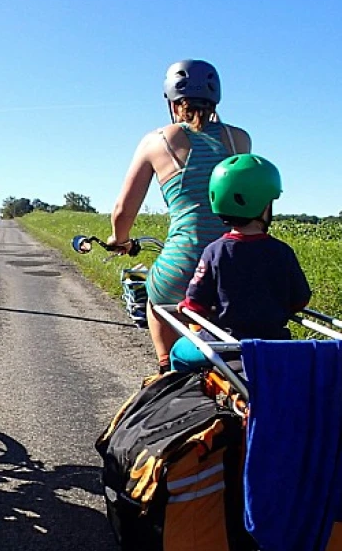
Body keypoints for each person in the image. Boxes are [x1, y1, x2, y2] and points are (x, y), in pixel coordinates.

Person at [108, 60, 252, 372]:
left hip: (182, 263)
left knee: (156, 298)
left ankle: (166, 372)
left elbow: (123, 211)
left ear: (172, 103)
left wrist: (118, 240)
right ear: (215, 101)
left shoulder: (156, 141)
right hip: (235, 263)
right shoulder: (239, 139)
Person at [170, 154, 312, 371]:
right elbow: (300, 301)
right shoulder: (283, 252)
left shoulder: (214, 251)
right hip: (275, 345)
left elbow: (196, 305)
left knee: (178, 352)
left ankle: (180, 396)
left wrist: (186, 306)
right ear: (264, 206)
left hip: (225, 344)